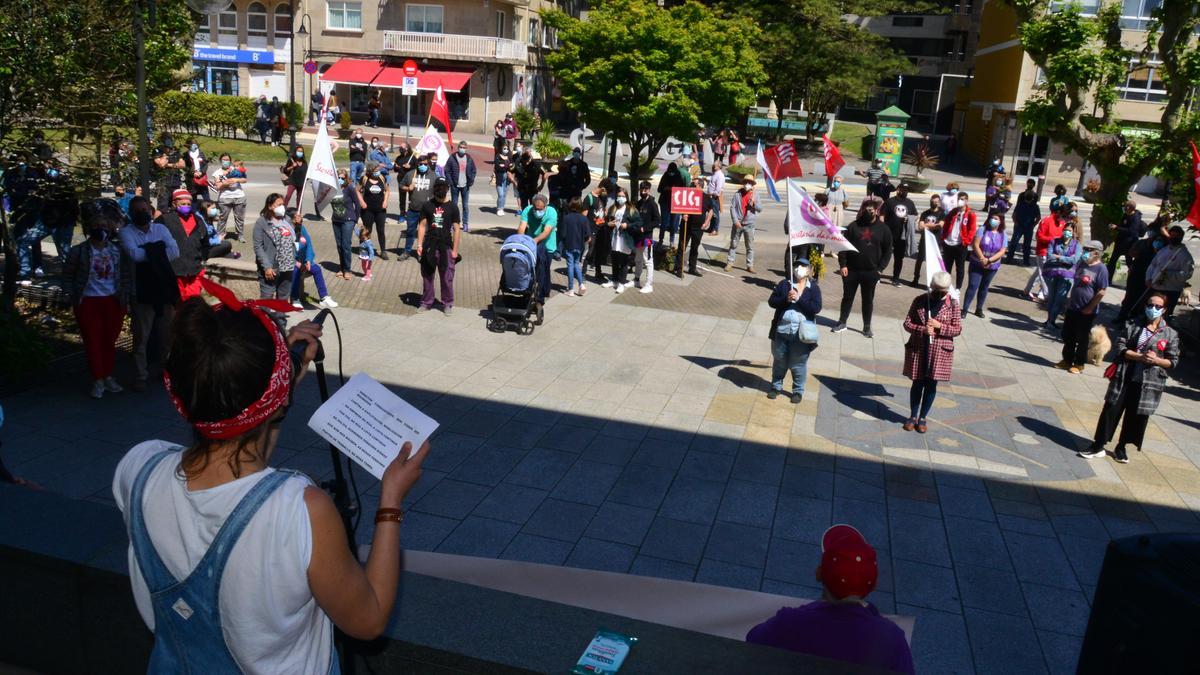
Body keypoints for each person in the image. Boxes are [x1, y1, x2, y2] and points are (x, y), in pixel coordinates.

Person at [112, 287, 429, 673]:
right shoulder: (300, 510)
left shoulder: (138, 468)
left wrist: (282, 385)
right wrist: (391, 501)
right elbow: (369, 620)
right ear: (274, 401)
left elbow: (236, 459)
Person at [746, 525, 913, 674]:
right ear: (874, 584)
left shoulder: (791, 622)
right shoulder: (891, 638)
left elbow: (753, 640)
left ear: (818, 573)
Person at [1079, 292, 1180, 464]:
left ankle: (1122, 447)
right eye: (1149, 305)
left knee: (1135, 416)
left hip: (1148, 383)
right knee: (1111, 409)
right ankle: (1098, 445)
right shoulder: (1134, 324)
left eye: (1157, 306)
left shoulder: (1170, 334)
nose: (1152, 309)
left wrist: (1156, 360)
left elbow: (1173, 361)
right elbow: (1120, 346)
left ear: (1164, 310)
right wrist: (1138, 357)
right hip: (1125, 375)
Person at [64, 209, 131, 399]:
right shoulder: (79, 251)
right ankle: (98, 379)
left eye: (103, 227)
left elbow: (125, 275)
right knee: (92, 341)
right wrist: (70, 296)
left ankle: (108, 375)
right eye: (96, 227)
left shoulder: (116, 251)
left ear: (110, 230)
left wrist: (126, 296)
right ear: (88, 229)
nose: (100, 230)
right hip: (88, 301)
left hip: (112, 300)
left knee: (109, 340)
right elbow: (68, 275)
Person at [118, 196, 180, 392]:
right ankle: (141, 375)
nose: (142, 213)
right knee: (141, 337)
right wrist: (158, 251)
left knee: (167, 335)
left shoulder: (160, 229)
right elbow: (133, 255)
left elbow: (175, 251)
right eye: (137, 210)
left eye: (145, 209)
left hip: (163, 290)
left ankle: (166, 370)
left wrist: (150, 253)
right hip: (141, 292)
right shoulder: (126, 233)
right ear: (131, 212)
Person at [902, 271, 962, 433]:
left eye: (942, 290)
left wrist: (939, 326)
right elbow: (907, 324)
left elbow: (957, 329)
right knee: (917, 382)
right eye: (935, 289)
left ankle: (922, 418)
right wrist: (922, 329)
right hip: (920, 348)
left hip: (939, 351)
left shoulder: (954, 304)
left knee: (931, 385)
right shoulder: (921, 300)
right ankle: (913, 416)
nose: (938, 293)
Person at [833, 199, 892, 338]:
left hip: (871, 271)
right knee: (847, 297)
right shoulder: (854, 226)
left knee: (868, 300)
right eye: (866, 209)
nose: (869, 211)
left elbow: (888, 250)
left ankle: (866, 327)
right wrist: (843, 265)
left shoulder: (883, 229)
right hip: (851, 270)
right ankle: (842, 322)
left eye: (871, 209)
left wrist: (880, 269)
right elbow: (843, 246)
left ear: (876, 211)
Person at [767, 258, 822, 403]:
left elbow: (815, 308)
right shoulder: (784, 284)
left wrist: (798, 299)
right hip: (782, 330)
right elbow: (772, 301)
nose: (799, 268)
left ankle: (797, 391)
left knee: (798, 363)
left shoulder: (814, 288)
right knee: (779, 360)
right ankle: (776, 386)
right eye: (797, 265)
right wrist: (786, 299)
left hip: (801, 334)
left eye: (803, 266)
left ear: (809, 270)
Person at [1058, 240, 1109, 374]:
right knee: (1068, 335)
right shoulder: (1082, 264)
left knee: (1082, 338)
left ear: (1097, 253)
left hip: (1086, 311)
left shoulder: (1101, 269)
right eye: (1085, 249)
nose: (1085, 252)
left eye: (1089, 249)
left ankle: (1079, 363)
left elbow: (1101, 291)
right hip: (1073, 306)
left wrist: (1090, 307)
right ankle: (1067, 360)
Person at [416, 178, 461, 314]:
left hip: (446, 246)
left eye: (443, 187)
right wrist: (419, 245)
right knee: (427, 275)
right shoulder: (427, 205)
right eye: (438, 187)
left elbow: (457, 229)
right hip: (429, 246)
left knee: (447, 277)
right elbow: (422, 226)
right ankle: (426, 302)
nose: (440, 190)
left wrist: (455, 251)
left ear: (447, 189)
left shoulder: (453, 207)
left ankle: (447, 303)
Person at [157, 189, 211, 302]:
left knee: (192, 304)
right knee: (176, 304)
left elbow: (205, 243)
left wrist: (202, 258)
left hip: (194, 270)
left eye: (188, 204)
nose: (186, 206)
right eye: (183, 204)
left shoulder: (198, 220)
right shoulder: (164, 220)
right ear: (174, 203)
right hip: (174, 271)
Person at [286, 208, 337, 310]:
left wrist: (308, 260)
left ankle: (324, 297)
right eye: (298, 215)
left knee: (317, 269)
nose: (301, 217)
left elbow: (309, 245)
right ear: (292, 219)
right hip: (292, 262)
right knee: (295, 272)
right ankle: (295, 299)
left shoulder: (302, 228)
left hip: (304, 261)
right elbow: (286, 251)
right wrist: (296, 263)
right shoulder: (287, 231)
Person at [962, 210, 1008, 318]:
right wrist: (982, 258)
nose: (993, 220)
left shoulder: (1003, 234)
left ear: (1001, 221)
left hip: (992, 265)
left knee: (984, 287)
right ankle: (965, 309)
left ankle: (979, 309)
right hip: (977, 263)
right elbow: (976, 244)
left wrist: (990, 260)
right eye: (992, 218)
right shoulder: (982, 229)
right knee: (973, 285)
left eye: (996, 219)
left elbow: (1002, 251)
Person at [1144, 225, 1194, 319]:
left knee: (1164, 315)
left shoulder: (1185, 256)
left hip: (1171, 290)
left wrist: (1168, 274)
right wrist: (1149, 278)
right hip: (1156, 286)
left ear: (1181, 237)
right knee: (1149, 313)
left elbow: (1187, 274)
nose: (1173, 238)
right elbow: (1153, 265)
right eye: (1171, 235)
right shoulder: (1163, 250)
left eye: (1176, 236)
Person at [1114, 233, 1165, 325]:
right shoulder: (1142, 244)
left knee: (1142, 301)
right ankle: (1122, 317)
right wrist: (1131, 266)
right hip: (1136, 275)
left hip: (1148, 279)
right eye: (1156, 239)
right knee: (1129, 298)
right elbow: (1131, 253)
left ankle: (1134, 320)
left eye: (1160, 241)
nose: (1158, 242)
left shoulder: (1161, 252)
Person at [252, 194, 295, 300]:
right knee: (267, 297)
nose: (282, 207)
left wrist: (298, 225)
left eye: (283, 204)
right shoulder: (262, 222)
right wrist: (266, 267)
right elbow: (258, 246)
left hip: (287, 265)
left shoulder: (287, 220)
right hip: (271, 266)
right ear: (270, 206)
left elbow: (295, 240)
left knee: (283, 296)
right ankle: (266, 316)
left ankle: (280, 316)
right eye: (279, 205)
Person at [519, 194, 559, 304]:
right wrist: (520, 241)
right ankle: (531, 289)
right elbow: (522, 227)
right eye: (536, 208)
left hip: (547, 245)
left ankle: (544, 291)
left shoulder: (551, 212)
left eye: (540, 209)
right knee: (532, 269)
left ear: (545, 206)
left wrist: (534, 241)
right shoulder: (527, 210)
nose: (538, 211)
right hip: (532, 243)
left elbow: (546, 232)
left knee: (544, 269)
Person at [1042, 222, 1082, 329]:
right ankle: (1049, 320)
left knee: (1059, 299)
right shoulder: (1054, 241)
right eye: (1065, 230)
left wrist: (1059, 257)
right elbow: (1049, 256)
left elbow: (1074, 260)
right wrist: (1066, 259)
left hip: (1067, 275)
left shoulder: (1076, 244)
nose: (1067, 232)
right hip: (1051, 272)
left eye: (1069, 231)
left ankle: (1051, 320)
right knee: (1051, 297)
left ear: (1073, 232)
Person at [1028, 201, 1070, 301]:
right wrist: (1053, 239)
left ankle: (1027, 290)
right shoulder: (1047, 221)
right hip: (1043, 251)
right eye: (1063, 216)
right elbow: (1039, 237)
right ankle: (1046, 295)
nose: (1064, 219)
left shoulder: (1062, 223)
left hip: (1053, 253)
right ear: (1059, 212)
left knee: (1038, 273)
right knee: (1045, 274)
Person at [601, 189, 638, 293]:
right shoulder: (613, 208)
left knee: (624, 261)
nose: (620, 198)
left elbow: (638, 223)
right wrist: (608, 225)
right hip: (614, 239)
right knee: (615, 260)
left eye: (622, 196)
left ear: (626, 197)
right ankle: (614, 280)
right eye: (618, 196)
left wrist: (628, 225)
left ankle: (621, 283)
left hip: (625, 240)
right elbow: (606, 221)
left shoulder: (631, 210)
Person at [940, 192, 976, 290]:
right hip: (949, 243)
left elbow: (972, 230)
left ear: (966, 200)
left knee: (960, 268)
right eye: (959, 199)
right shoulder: (953, 212)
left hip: (961, 244)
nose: (961, 201)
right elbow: (946, 224)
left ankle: (958, 288)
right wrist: (944, 238)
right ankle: (945, 286)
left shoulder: (970, 214)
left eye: (963, 199)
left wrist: (967, 241)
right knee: (947, 267)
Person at [401, 156, 435, 260]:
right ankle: (407, 251)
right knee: (410, 231)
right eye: (420, 164)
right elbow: (401, 185)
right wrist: (407, 188)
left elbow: (438, 191)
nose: (422, 166)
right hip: (413, 209)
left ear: (428, 164)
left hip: (427, 210)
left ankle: (422, 253)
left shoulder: (433, 176)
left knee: (425, 233)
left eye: (425, 164)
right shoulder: (411, 174)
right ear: (417, 164)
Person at [883, 182, 917, 285]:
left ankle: (896, 278)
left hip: (902, 235)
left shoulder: (910, 203)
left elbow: (915, 215)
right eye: (903, 189)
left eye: (906, 190)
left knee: (899, 258)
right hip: (889, 233)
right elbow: (882, 216)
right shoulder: (890, 201)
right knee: (884, 254)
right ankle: (877, 274)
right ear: (898, 189)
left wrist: (910, 219)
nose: (905, 191)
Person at [630, 181, 659, 293]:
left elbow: (657, 220)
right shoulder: (639, 203)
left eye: (645, 190)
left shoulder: (652, 204)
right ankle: (636, 279)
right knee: (638, 259)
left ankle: (649, 284)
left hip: (647, 237)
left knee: (648, 260)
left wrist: (645, 228)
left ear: (649, 190)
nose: (643, 191)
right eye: (641, 189)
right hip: (638, 236)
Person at [726, 176, 760, 273]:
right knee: (733, 244)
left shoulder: (755, 195)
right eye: (745, 182)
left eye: (749, 182)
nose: (747, 184)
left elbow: (760, 209)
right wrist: (735, 221)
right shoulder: (737, 194)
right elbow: (732, 208)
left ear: (752, 184)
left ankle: (750, 265)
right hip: (738, 224)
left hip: (749, 224)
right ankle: (730, 262)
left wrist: (754, 204)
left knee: (749, 246)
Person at [682, 176, 714, 277]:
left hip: (698, 227)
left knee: (694, 248)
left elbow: (711, 210)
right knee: (682, 247)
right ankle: (679, 268)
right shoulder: (688, 195)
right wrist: (683, 214)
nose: (691, 186)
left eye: (693, 185)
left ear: (699, 185)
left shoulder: (706, 197)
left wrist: (706, 222)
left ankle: (692, 267)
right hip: (687, 225)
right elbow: (680, 206)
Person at [329, 169, 359, 280]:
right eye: (338, 178)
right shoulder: (333, 189)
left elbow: (357, 203)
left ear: (345, 178)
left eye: (342, 178)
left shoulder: (349, 188)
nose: (340, 180)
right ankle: (341, 268)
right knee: (339, 245)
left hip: (348, 220)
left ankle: (347, 269)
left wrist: (355, 218)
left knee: (346, 245)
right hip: (336, 220)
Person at [212, 154, 247, 242]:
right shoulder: (217, 173)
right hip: (225, 198)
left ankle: (240, 235)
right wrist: (224, 184)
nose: (225, 161)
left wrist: (236, 180)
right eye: (223, 160)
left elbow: (244, 179)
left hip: (239, 196)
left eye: (227, 159)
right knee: (222, 218)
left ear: (230, 161)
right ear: (220, 161)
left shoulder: (235, 169)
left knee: (240, 218)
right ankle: (220, 235)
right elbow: (217, 187)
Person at [358, 162, 390, 260]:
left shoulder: (382, 178)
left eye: (378, 171)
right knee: (367, 231)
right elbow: (357, 191)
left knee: (381, 230)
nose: (377, 172)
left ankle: (383, 251)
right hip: (367, 210)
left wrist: (385, 201)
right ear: (370, 171)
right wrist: (362, 202)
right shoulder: (364, 179)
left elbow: (387, 190)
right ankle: (364, 249)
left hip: (380, 210)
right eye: (375, 171)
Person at [560, 197, 591, 297]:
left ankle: (571, 288)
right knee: (576, 264)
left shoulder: (566, 218)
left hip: (569, 244)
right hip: (579, 245)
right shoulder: (584, 218)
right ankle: (581, 284)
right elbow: (587, 234)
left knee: (570, 265)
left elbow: (563, 234)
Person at [1107, 201, 1146, 280]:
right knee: (1112, 261)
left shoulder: (1136, 218)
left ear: (1130, 208)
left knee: (1129, 262)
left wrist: (1117, 228)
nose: (1124, 208)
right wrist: (1115, 227)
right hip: (1120, 242)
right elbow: (1122, 226)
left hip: (1129, 244)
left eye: (1125, 206)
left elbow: (1132, 231)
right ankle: (1108, 278)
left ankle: (1132, 279)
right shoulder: (1125, 215)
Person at [911, 195, 945, 284]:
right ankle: (915, 278)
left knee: (933, 262)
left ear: (939, 202)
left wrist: (926, 225)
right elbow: (920, 227)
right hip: (924, 239)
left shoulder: (942, 213)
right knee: (919, 260)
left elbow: (940, 225)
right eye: (933, 201)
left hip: (935, 241)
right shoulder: (925, 213)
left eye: (936, 201)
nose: (935, 203)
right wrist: (932, 226)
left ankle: (933, 282)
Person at [444, 141, 476, 232]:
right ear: (458, 148)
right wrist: (450, 182)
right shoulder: (452, 158)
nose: (462, 149)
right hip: (455, 185)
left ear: (466, 148)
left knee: (465, 206)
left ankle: (465, 223)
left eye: (464, 147)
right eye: (461, 147)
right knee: (454, 205)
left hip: (465, 186)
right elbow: (447, 170)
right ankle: (453, 224)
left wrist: (471, 181)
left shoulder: (469, 158)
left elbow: (474, 170)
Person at [1007, 180, 1040, 266]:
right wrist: (1017, 222)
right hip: (1022, 226)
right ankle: (1011, 258)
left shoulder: (1034, 205)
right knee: (1017, 243)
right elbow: (1014, 214)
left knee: (1024, 245)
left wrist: (1033, 225)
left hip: (1026, 227)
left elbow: (1038, 217)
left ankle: (1021, 260)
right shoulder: (1023, 201)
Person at [585, 184, 612, 284]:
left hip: (601, 230)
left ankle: (598, 271)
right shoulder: (593, 198)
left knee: (599, 252)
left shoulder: (603, 200)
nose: (607, 194)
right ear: (603, 188)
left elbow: (602, 215)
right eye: (606, 192)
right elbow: (591, 218)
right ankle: (583, 273)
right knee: (589, 252)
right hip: (593, 229)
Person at [706, 160, 726, 235]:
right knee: (711, 213)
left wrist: (713, 194)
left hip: (715, 197)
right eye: (714, 165)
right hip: (711, 196)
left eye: (715, 165)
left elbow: (718, 188)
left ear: (719, 166)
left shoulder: (720, 175)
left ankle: (715, 230)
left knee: (715, 214)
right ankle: (711, 228)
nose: (714, 166)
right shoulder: (715, 174)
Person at [494, 147, 514, 216]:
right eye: (504, 148)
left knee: (504, 195)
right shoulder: (497, 156)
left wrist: (504, 166)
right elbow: (497, 167)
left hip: (507, 180)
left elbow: (512, 167)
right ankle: (499, 208)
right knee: (501, 194)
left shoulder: (509, 157)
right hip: (499, 178)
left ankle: (501, 208)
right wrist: (506, 166)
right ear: (501, 149)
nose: (506, 150)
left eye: (507, 149)